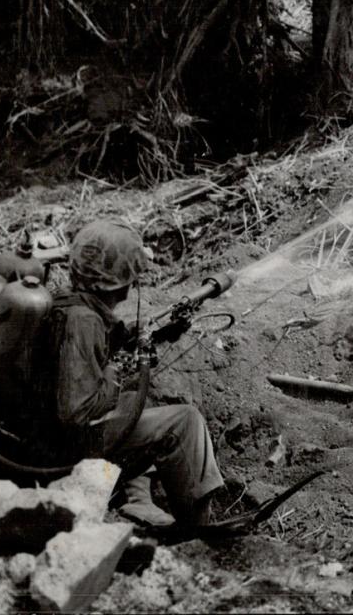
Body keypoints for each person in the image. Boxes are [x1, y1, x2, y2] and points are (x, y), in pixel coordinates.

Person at [44, 221, 226, 527]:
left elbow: (105, 340)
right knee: (184, 422)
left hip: (48, 436)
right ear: (119, 282)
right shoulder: (83, 321)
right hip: (65, 449)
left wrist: (158, 332)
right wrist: (113, 375)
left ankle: (138, 500)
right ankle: (198, 528)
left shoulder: (70, 302)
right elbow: (75, 411)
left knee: (131, 401)